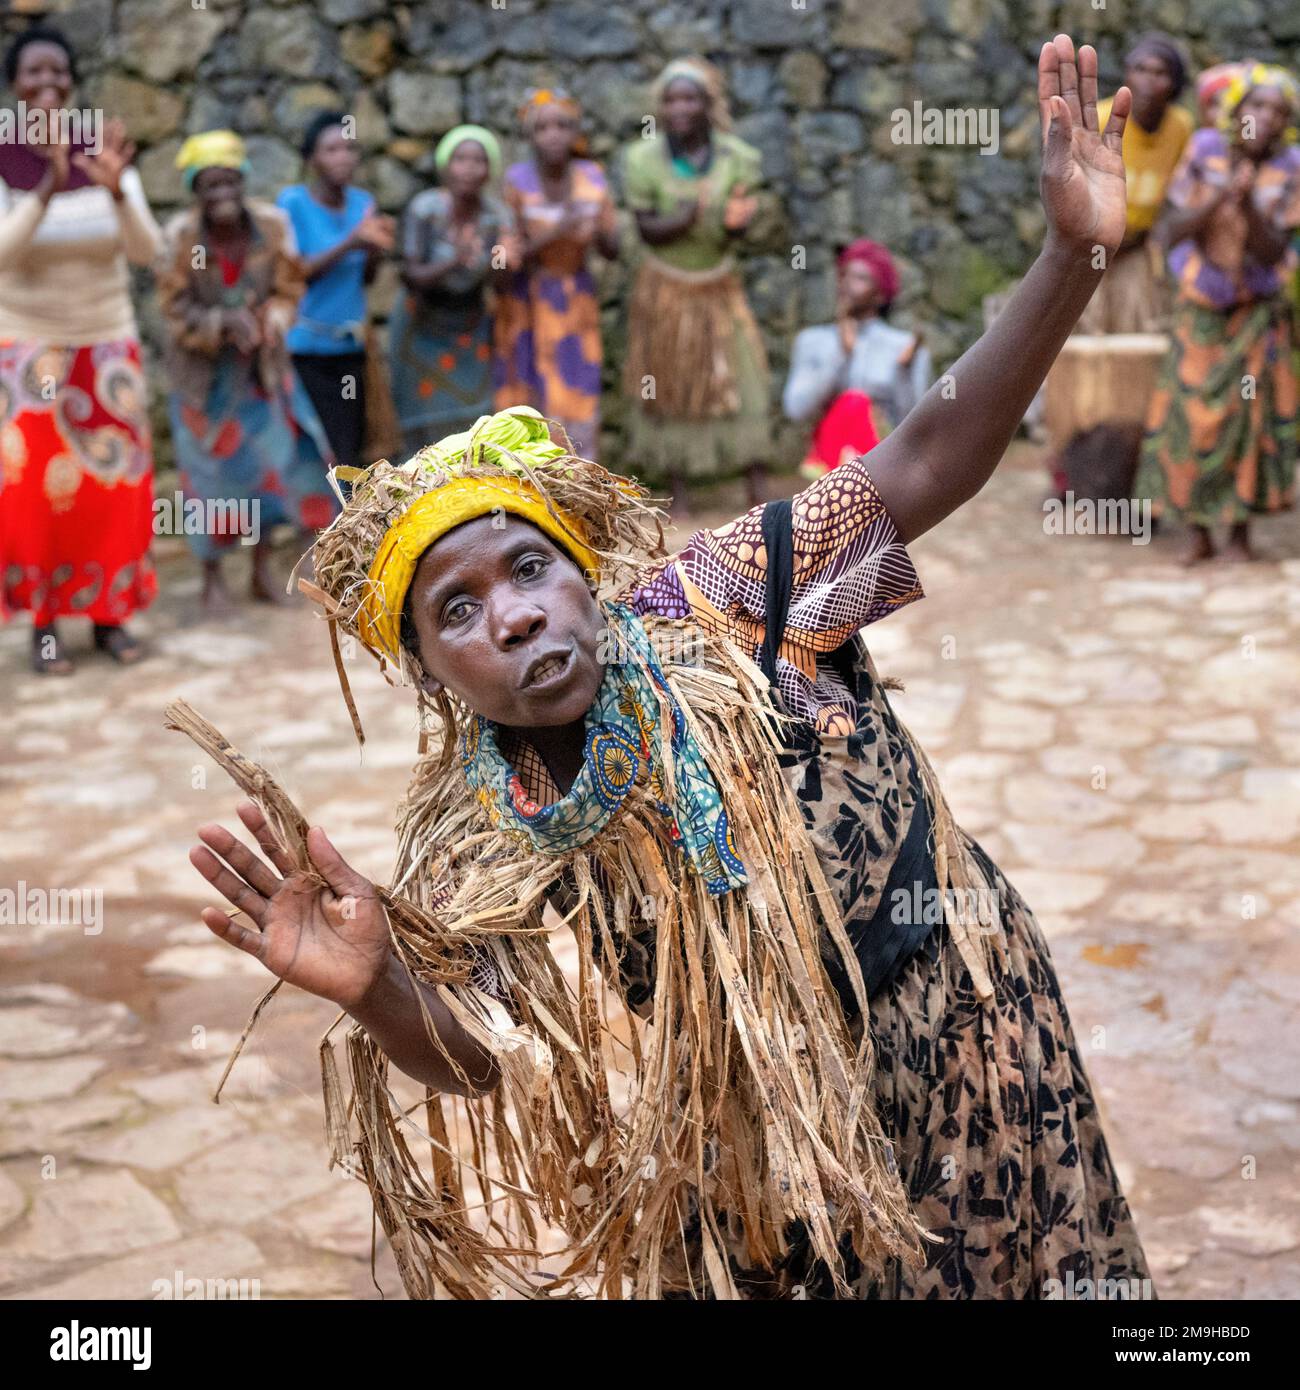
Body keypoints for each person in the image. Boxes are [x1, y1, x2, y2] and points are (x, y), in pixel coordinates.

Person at [187, 37, 1152, 1300]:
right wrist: (377, 989)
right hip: (758, 1133)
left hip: (961, 1018)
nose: (516, 618)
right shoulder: (488, 825)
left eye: (528, 571)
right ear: (431, 674)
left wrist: (1071, 255)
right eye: (459, 610)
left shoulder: (728, 594)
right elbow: (482, 1057)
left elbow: (926, 457)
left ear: (583, 571)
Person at [0, 24, 161, 675]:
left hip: (107, 347)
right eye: (32, 74)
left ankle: (110, 615)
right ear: (14, 87)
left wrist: (117, 189)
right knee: (34, 496)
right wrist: (46, 187)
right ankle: (45, 626)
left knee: (113, 489)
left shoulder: (106, 152)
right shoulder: (5, 158)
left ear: (71, 81)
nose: (46, 84)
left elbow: (147, 252)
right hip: (28, 349)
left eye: (56, 72)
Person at [159, 131, 335, 615]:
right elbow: (173, 311)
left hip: (260, 372)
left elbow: (290, 289)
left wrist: (269, 320)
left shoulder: (273, 227)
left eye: (229, 183)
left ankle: (261, 571)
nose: (222, 195)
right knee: (208, 481)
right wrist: (220, 324)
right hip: (203, 384)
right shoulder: (180, 238)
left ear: (243, 183)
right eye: (210, 185)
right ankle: (212, 577)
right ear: (195, 190)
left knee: (268, 473)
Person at [1137, 63, 1300, 564]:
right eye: (1256, 105)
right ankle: (1199, 534)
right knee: (1192, 417)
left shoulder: (1292, 167)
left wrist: (1248, 203)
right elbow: (1173, 230)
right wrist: (1220, 198)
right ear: (1236, 110)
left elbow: (1274, 252)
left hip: (1256, 310)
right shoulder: (1206, 151)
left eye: (1278, 110)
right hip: (1203, 306)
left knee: (1251, 419)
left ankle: (1241, 535)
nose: (1265, 117)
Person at [623, 58, 768, 512]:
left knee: (745, 377)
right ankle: (679, 492)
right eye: (670, 99)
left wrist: (738, 225)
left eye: (689, 98)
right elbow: (647, 228)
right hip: (666, 289)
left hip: (718, 285)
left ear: (708, 104)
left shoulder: (738, 158)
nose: (679, 107)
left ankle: (757, 487)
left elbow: (742, 225)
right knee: (668, 384)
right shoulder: (642, 159)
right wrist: (687, 216)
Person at [492, 92, 616, 461]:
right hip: (525, 302)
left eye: (562, 125)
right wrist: (557, 231)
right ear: (530, 136)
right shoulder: (516, 181)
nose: (553, 135)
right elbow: (505, 258)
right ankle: (526, 489)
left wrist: (594, 233)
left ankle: (576, 485)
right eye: (542, 127)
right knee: (526, 396)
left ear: (575, 132)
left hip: (574, 299)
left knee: (576, 393)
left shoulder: (592, 178)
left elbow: (614, 247)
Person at [276, 111, 395, 472]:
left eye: (349, 148)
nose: (343, 157)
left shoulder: (363, 204)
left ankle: (344, 522)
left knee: (350, 446)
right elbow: (296, 273)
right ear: (311, 159)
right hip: (306, 349)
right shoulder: (292, 203)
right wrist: (352, 242)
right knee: (315, 447)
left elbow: (367, 278)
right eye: (331, 149)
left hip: (351, 348)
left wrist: (374, 250)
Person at [390, 125, 514, 455]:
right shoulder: (425, 208)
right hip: (419, 327)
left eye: (478, 160)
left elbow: (503, 280)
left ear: (490, 169)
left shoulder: (497, 216)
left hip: (469, 328)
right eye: (460, 159)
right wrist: (456, 260)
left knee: (473, 419)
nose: (469, 168)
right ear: (445, 166)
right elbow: (411, 275)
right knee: (418, 421)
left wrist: (503, 261)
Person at [782, 240, 931, 480]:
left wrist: (904, 372)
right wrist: (841, 354)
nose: (846, 285)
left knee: (859, 404)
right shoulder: (811, 340)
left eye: (860, 278)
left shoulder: (903, 346)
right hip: (829, 460)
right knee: (853, 403)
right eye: (844, 276)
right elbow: (795, 409)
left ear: (881, 294)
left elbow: (915, 424)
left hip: (883, 457)